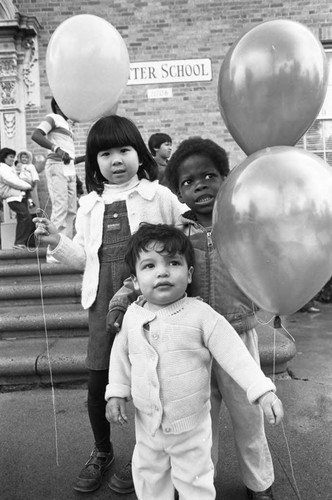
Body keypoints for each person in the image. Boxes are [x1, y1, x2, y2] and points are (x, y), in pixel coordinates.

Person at [108, 137, 279, 500]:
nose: (199, 184)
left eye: (209, 175)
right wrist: (123, 300)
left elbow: (270, 260)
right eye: (187, 182)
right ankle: (200, 485)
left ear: (227, 178)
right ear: (179, 193)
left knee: (249, 417)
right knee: (202, 422)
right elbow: (142, 274)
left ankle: (259, 483)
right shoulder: (178, 235)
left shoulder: (240, 224)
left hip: (238, 333)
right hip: (189, 340)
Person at [33, 114, 187, 495]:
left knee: (154, 381)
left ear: (139, 154)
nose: (116, 160)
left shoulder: (159, 196)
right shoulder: (88, 205)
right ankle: (103, 451)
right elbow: (84, 257)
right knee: (98, 381)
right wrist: (56, 241)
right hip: (103, 305)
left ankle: (148, 455)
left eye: (124, 150)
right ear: (94, 161)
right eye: (105, 153)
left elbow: (187, 236)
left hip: (152, 306)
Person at [31, 97, 77, 251]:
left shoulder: (68, 126)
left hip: (69, 168)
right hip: (56, 165)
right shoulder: (53, 118)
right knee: (60, 208)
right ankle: (54, 251)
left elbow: (70, 157)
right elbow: (36, 135)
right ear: (58, 106)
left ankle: (66, 250)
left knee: (71, 210)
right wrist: (56, 149)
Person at [0, 147, 34, 249]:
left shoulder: (9, 169)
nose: (12, 159)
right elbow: (13, 181)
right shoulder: (3, 168)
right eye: (10, 157)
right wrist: (28, 186)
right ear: (4, 158)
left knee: (23, 218)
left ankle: (21, 243)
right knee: (25, 217)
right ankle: (19, 242)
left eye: (13, 157)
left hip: (17, 197)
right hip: (13, 197)